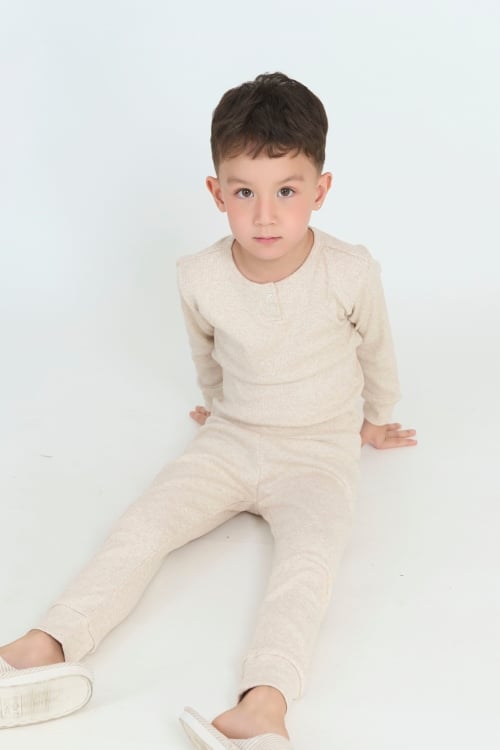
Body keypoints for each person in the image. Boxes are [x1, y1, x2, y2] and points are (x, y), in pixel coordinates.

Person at [0, 72, 417, 749]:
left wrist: (376, 416)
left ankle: (263, 708)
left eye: (286, 192)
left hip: (318, 452)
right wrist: (217, 404)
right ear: (217, 192)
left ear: (320, 190)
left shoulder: (349, 270)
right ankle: (41, 647)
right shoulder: (199, 275)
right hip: (230, 442)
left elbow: (377, 347)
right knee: (144, 525)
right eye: (244, 192)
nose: (265, 216)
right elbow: (207, 352)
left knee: (308, 564)